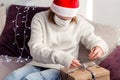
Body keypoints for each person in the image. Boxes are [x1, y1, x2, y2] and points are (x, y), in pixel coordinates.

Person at [4, 0, 109, 80]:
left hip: (63, 68)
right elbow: (35, 48)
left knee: (31, 78)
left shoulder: (80, 23)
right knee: (14, 76)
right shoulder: (39, 18)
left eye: (70, 18)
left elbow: (96, 40)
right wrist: (61, 57)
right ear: (53, 10)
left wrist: (99, 47)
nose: (65, 21)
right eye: (62, 18)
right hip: (38, 63)